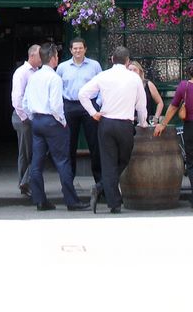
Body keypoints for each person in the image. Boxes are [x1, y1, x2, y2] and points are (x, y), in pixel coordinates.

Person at [78, 46, 148, 214]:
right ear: (127, 61)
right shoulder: (134, 78)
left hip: (106, 123)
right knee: (123, 159)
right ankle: (105, 192)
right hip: (125, 124)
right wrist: (143, 122)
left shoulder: (103, 76)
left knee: (109, 163)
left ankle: (111, 200)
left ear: (112, 60)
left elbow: (82, 94)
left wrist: (93, 113)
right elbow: (141, 104)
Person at [22, 42, 88, 212]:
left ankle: (40, 200)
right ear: (52, 58)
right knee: (63, 161)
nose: (57, 58)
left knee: (36, 163)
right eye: (57, 56)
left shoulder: (34, 77)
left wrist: (33, 117)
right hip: (52, 121)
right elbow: (56, 105)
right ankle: (71, 201)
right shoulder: (54, 78)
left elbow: (25, 103)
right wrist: (63, 122)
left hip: (37, 121)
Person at [154, 59, 193, 212]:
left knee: (192, 165)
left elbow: (173, 107)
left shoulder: (184, 86)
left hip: (192, 127)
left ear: (189, 72)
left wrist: (163, 124)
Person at [57, 37, 102, 187]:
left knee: (94, 144)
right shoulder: (62, 67)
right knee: (69, 145)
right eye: (75, 48)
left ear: (85, 49)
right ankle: (68, 183)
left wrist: (98, 104)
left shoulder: (94, 65)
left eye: (80, 48)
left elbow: (102, 86)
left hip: (89, 106)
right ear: (70, 50)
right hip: (70, 106)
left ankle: (100, 183)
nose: (78, 51)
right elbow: (57, 88)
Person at [11, 44, 41, 197]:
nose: (43, 58)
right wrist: (26, 118)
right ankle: (24, 183)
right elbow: (17, 98)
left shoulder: (38, 72)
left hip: (34, 117)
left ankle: (26, 181)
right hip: (24, 118)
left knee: (36, 150)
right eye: (40, 55)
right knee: (26, 152)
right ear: (32, 56)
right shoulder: (22, 72)